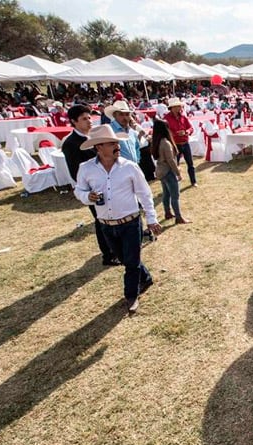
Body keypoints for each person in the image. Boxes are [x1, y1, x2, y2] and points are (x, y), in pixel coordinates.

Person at [74, 125, 162, 314]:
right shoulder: (86, 168)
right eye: (111, 143)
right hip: (106, 225)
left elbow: (145, 194)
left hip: (130, 223)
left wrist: (151, 220)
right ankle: (145, 278)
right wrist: (87, 196)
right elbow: (78, 190)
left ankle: (131, 296)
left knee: (130, 263)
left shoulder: (129, 167)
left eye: (117, 142)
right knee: (126, 259)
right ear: (99, 147)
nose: (117, 145)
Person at [62, 104, 119, 267]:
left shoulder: (92, 138)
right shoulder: (71, 143)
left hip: (108, 184)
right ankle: (108, 254)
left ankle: (115, 248)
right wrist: (90, 191)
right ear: (73, 122)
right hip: (94, 190)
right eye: (84, 119)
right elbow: (76, 173)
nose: (89, 121)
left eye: (89, 117)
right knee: (102, 221)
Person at [150, 118, 190, 224]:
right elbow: (171, 161)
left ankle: (167, 212)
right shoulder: (165, 143)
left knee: (166, 193)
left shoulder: (157, 141)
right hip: (167, 171)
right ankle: (178, 217)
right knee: (175, 195)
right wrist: (178, 173)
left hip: (160, 170)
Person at [165, 97, 197, 187]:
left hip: (185, 143)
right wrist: (176, 134)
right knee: (174, 165)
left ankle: (193, 181)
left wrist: (186, 132)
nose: (180, 108)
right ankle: (175, 182)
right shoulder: (166, 118)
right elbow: (166, 132)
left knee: (190, 164)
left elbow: (191, 128)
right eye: (178, 106)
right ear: (172, 107)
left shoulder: (183, 117)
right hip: (175, 145)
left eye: (180, 106)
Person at [104, 100, 141, 164]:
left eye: (127, 114)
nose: (125, 117)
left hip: (133, 168)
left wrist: (136, 161)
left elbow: (137, 148)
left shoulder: (132, 132)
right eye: (121, 114)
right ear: (114, 115)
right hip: (118, 169)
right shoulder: (109, 130)